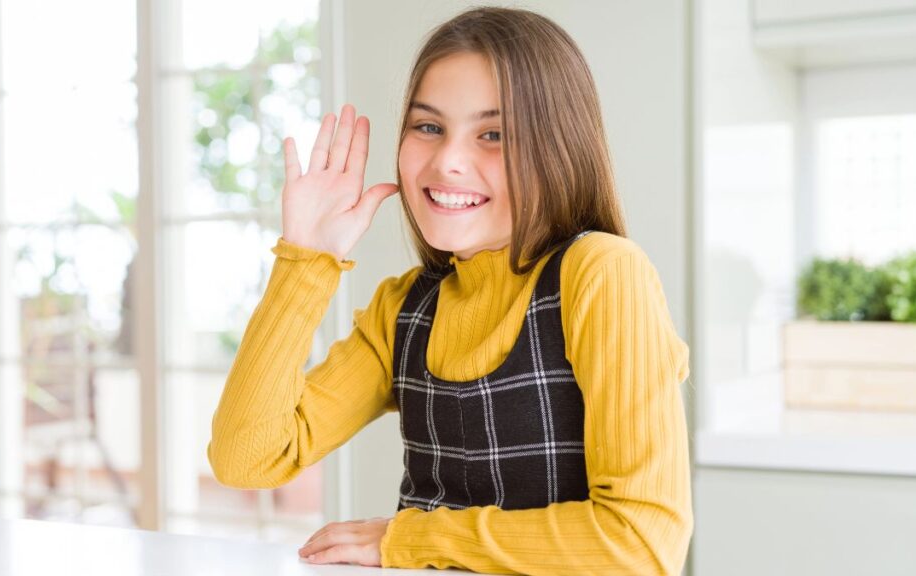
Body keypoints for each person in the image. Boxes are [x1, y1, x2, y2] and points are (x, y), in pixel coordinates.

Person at [207, 6, 692, 575]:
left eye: (494, 134)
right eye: (428, 127)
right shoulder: (405, 307)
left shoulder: (602, 273)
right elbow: (247, 458)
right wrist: (306, 260)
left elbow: (641, 542)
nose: (448, 161)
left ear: (557, 147)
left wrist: (408, 538)